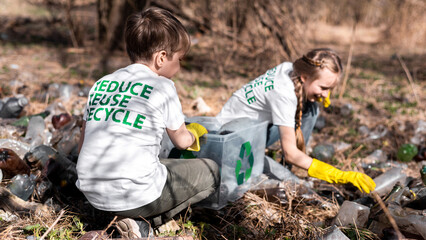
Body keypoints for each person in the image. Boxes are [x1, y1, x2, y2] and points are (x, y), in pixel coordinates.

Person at [76, 7, 220, 238]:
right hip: (135, 196)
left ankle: (122, 219)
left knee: (158, 162)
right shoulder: (162, 86)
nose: (180, 67)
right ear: (161, 57)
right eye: (179, 59)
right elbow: (182, 141)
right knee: (212, 171)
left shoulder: (101, 83)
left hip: (93, 195)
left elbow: (83, 146)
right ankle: (144, 223)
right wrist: (195, 133)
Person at [217, 48, 376, 194]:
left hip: (253, 131)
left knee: (312, 107)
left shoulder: (290, 68)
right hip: (231, 141)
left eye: (330, 89)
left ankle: (288, 164)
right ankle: (276, 166)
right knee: (294, 185)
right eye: (324, 88)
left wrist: (321, 92)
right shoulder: (284, 94)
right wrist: (337, 174)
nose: (326, 95)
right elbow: (291, 154)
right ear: (304, 77)